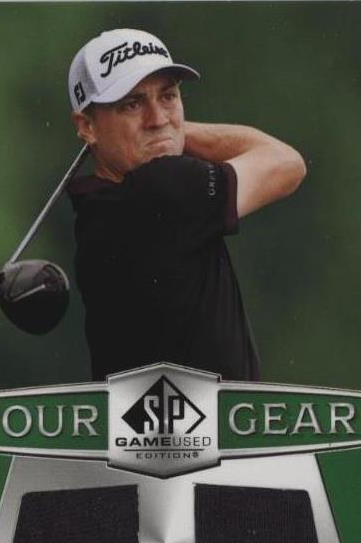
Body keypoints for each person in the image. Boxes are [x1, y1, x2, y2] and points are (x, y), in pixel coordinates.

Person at [66, 28, 306, 381]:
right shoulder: (166, 188)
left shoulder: (94, 207)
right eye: (132, 104)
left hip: (146, 415)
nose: (157, 118)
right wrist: (174, 131)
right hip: (205, 417)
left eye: (168, 96)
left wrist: (165, 131)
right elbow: (287, 164)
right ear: (87, 125)